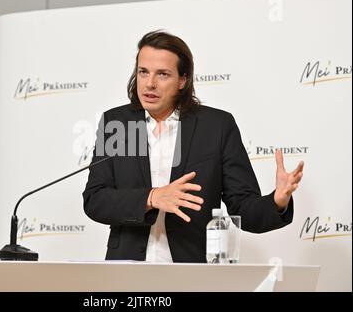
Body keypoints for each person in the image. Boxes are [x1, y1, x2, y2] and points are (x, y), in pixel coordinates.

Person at [82, 30, 304, 263]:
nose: (150, 83)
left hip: (192, 270)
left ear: (182, 80)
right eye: (143, 72)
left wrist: (277, 201)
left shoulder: (216, 126)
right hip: (126, 269)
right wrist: (152, 197)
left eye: (163, 74)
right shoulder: (118, 124)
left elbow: (243, 209)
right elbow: (96, 200)